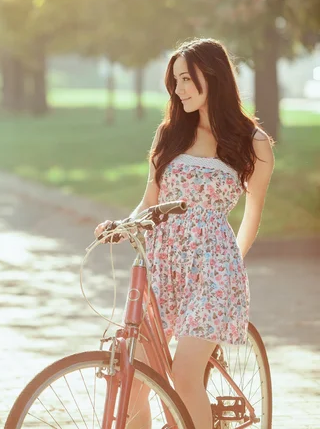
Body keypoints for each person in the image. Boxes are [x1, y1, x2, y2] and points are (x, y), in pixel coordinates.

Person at [94, 38, 275, 429]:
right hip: (161, 265)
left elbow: (252, 215)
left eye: (186, 79)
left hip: (214, 271)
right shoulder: (169, 135)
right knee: (138, 381)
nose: (178, 90)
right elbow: (148, 200)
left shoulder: (254, 144)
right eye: (174, 81)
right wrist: (122, 226)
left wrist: (228, 267)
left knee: (184, 375)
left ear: (211, 76)